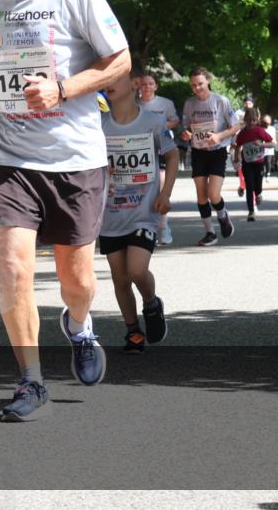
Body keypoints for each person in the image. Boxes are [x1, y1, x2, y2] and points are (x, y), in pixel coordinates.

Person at [0, 0, 131, 421]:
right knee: (12, 267)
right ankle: (30, 380)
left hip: (74, 155)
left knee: (76, 279)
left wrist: (64, 89)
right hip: (10, 155)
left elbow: (119, 59)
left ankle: (78, 325)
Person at [100, 64, 177, 354]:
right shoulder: (99, 124)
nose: (108, 82)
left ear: (134, 84)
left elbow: (171, 156)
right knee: (119, 277)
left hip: (143, 211)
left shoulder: (153, 122)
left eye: (114, 77)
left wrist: (165, 193)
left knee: (136, 270)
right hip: (109, 213)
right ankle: (133, 331)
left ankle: (151, 303)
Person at [180, 67, 240, 246]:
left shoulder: (221, 101)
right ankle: (210, 233)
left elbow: (236, 126)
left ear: (208, 81)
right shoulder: (189, 103)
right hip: (198, 152)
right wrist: (187, 134)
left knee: (213, 194)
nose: (197, 88)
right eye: (193, 85)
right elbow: (186, 127)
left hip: (217, 151)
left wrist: (219, 136)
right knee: (201, 195)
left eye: (200, 84)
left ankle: (223, 215)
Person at [137, 71, 179, 245]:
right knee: (142, 188)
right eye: (144, 84)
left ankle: (163, 226)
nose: (147, 87)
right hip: (139, 147)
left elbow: (175, 120)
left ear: (156, 86)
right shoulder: (134, 103)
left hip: (161, 145)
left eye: (150, 84)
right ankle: (147, 228)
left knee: (160, 185)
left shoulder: (165, 103)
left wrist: (158, 126)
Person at [233, 108, 274, 222]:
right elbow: (238, 146)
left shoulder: (259, 131)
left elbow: (272, 143)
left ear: (257, 120)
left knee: (258, 186)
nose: (251, 123)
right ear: (245, 119)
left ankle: (259, 194)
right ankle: (251, 211)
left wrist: (262, 145)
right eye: (249, 120)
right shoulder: (242, 133)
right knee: (249, 186)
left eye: (253, 120)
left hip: (259, 162)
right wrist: (237, 158)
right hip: (247, 163)